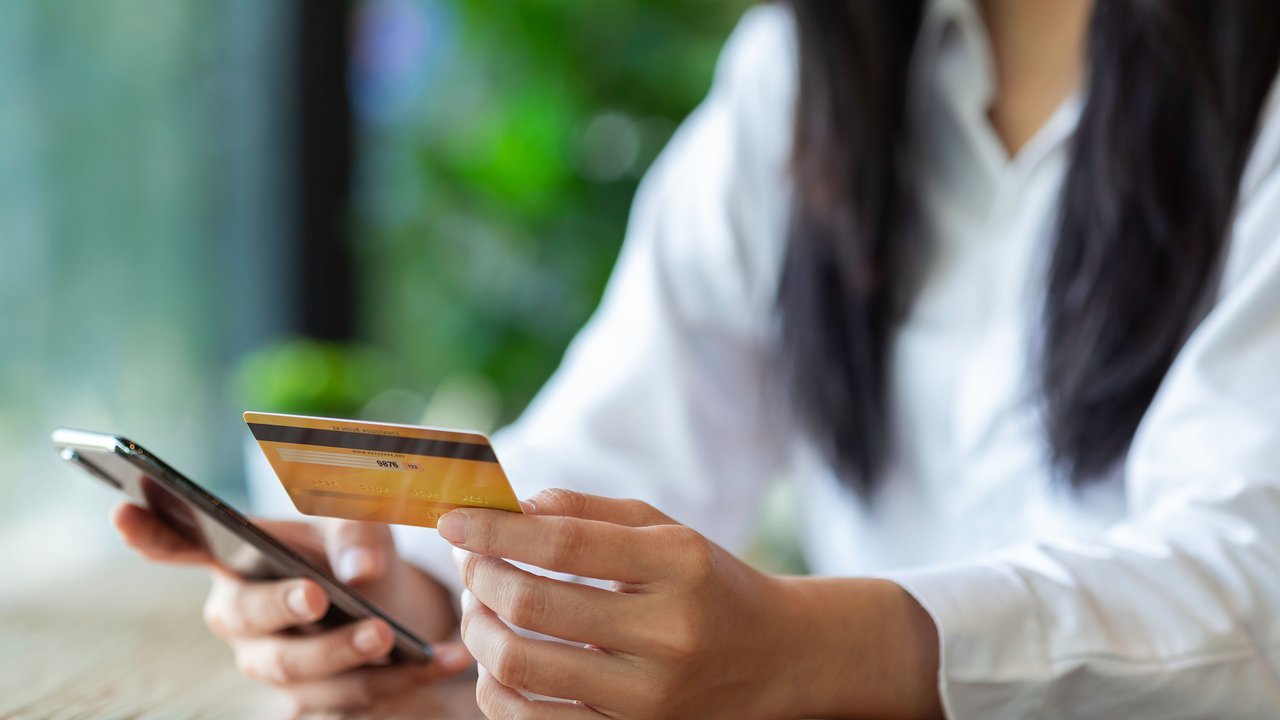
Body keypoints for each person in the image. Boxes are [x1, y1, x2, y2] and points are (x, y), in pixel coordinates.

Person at [115, 0, 1280, 717]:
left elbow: (1250, 584)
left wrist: (812, 651)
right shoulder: (801, 76)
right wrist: (407, 601)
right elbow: (616, 445)